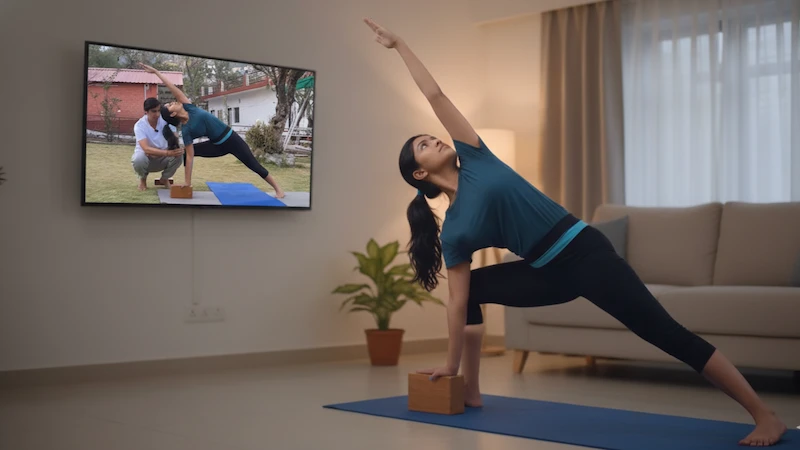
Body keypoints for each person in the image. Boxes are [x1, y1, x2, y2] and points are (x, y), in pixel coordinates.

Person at [363, 17, 787, 447]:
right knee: (471, 290)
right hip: (547, 273)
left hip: (586, 254)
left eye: (431, 136)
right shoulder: (454, 230)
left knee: (666, 334)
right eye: (423, 145)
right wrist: (450, 366)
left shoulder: (476, 156)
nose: (434, 140)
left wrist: (400, 46)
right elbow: (456, 302)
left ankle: (764, 415)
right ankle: (470, 389)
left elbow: (435, 94)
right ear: (420, 173)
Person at [138, 63, 285, 198]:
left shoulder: (189, 107)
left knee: (254, 165)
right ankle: (166, 179)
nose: (173, 101)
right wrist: (187, 182)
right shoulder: (186, 130)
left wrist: (157, 72)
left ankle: (278, 190)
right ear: (173, 114)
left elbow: (173, 88)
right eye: (170, 105)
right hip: (216, 146)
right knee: (185, 153)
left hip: (231, 139)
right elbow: (190, 157)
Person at [131, 97, 184, 191]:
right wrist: (166, 153)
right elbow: (146, 149)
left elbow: (175, 138)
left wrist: (175, 149)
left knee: (179, 154)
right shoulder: (139, 125)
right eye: (154, 111)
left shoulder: (166, 120)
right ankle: (143, 180)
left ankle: (164, 179)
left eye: (159, 111)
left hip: (162, 157)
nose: (157, 114)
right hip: (147, 158)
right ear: (146, 111)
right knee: (138, 159)